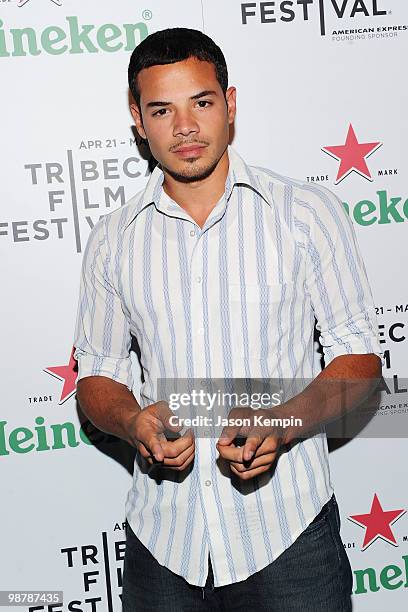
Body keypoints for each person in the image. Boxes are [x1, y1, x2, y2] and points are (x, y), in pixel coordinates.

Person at [73, 27, 383, 611]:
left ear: (231, 103)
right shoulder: (114, 240)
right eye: (162, 110)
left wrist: (284, 422)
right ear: (138, 120)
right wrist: (133, 420)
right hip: (164, 542)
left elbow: (361, 361)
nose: (185, 127)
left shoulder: (307, 214)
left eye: (202, 103)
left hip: (289, 532)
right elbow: (96, 378)